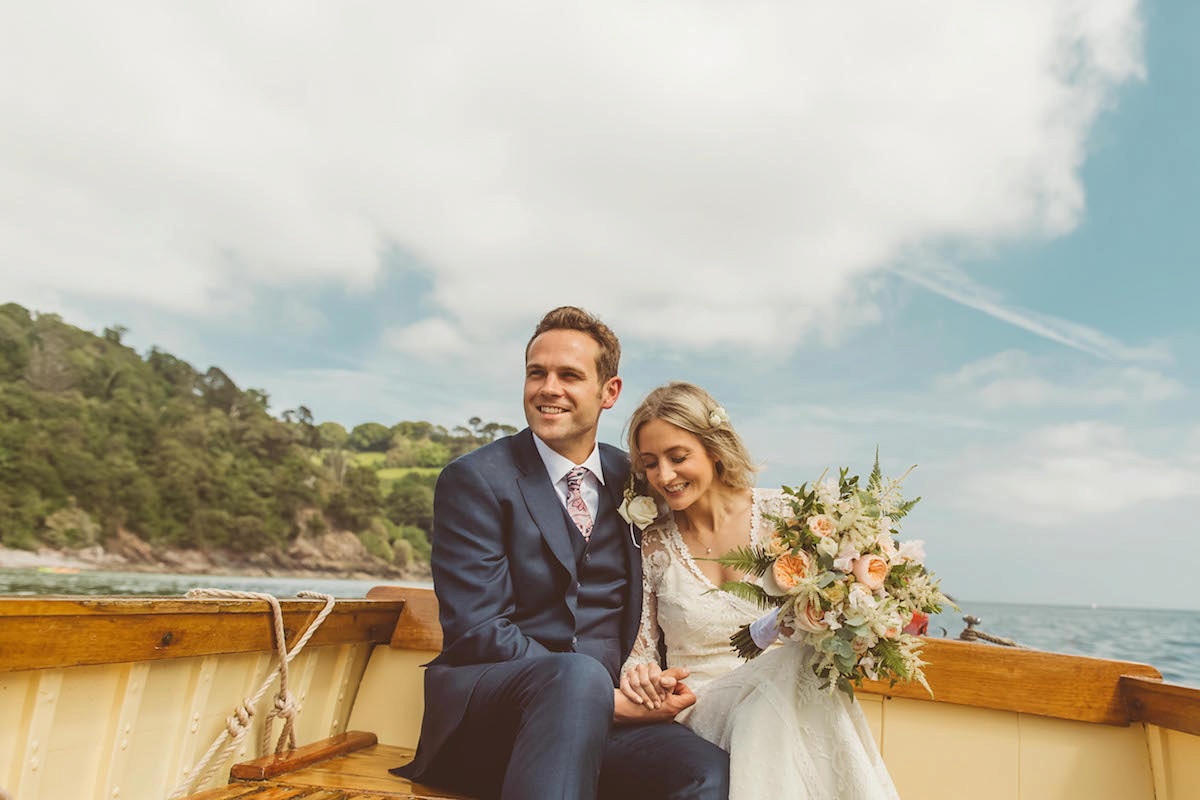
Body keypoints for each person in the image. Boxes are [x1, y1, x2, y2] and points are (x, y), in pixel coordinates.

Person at [392, 309, 730, 800]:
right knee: (576, 677)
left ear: (608, 392)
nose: (549, 388)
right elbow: (478, 631)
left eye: (569, 375)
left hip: (614, 716)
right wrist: (602, 699)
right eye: (537, 373)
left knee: (708, 775)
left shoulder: (639, 478)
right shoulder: (475, 480)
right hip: (497, 719)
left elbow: (710, 527)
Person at [620, 382, 900, 800]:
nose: (665, 476)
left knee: (786, 675)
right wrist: (641, 675)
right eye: (651, 463)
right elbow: (641, 650)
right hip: (701, 707)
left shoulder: (788, 518)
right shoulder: (654, 543)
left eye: (678, 457)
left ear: (714, 449)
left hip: (781, 703)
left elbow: (838, 604)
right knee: (785, 674)